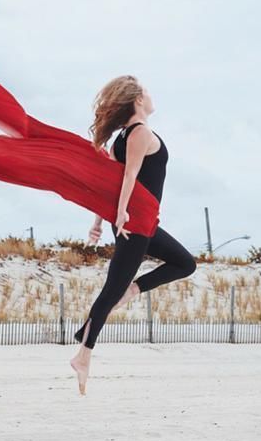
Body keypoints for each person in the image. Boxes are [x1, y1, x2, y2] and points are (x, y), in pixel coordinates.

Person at [69, 75, 197, 395]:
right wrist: (122, 212)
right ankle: (83, 354)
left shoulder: (121, 139)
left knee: (184, 262)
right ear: (138, 99)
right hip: (135, 223)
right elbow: (127, 177)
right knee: (112, 289)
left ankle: (129, 294)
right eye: (148, 93)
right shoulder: (140, 133)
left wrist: (98, 221)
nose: (153, 98)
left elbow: (106, 185)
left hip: (140, 221)